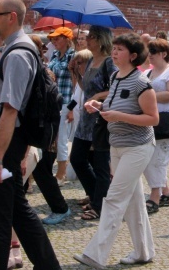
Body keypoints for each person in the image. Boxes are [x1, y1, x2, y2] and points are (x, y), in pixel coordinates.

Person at [0, 0, 60, 270]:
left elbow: (11, 111)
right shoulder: (18, 49)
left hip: (1, 144)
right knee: (18, 213)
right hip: (2, 141)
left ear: (11, 17)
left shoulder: (18, 53)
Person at [75, 33, 158, 268]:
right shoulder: (114, 76)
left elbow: (153, 118)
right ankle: (143, 252)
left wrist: (118, 116)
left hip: (138, 147)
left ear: (133, 56)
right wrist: (98, 105)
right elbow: (113, 105)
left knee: (113, 199)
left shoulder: (142, 83)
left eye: (120, 49)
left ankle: (95, 254)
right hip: (117, 145)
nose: (114, 52)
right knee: (133, 202)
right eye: (114, 48)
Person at [69, 26, 115, 221]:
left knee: (100, 164)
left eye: (92, 37)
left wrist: (98, 96)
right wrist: (76, 74)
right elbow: (85, 88)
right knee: (78, 158)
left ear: (102, 39)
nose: (87, 40)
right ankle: (96, 194)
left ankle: (100, 205)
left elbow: (115, 87)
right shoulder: (90, 62)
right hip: (86, 118)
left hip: (99, 118)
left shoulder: (109, 62)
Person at [143, 39, 169, 214]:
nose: (149, 54)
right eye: (149, 51)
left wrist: (149, 96)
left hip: (165, 120)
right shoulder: (149, 72)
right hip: (151, 118)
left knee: (158, 160)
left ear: (163, 54)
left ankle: (154, 197)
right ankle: (166, 193)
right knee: (151, 158)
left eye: (153, 51)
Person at [47, 26, 76, 185]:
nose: (54, 41)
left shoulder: (74, 56)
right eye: (53, 39)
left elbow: (76, 83)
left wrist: (71, 107)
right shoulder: (55, 55)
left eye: (57, 38)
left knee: (61, 137)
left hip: (66, 100)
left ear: (67, 39)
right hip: (54, 100)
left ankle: (62, 172)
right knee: (54, 136)